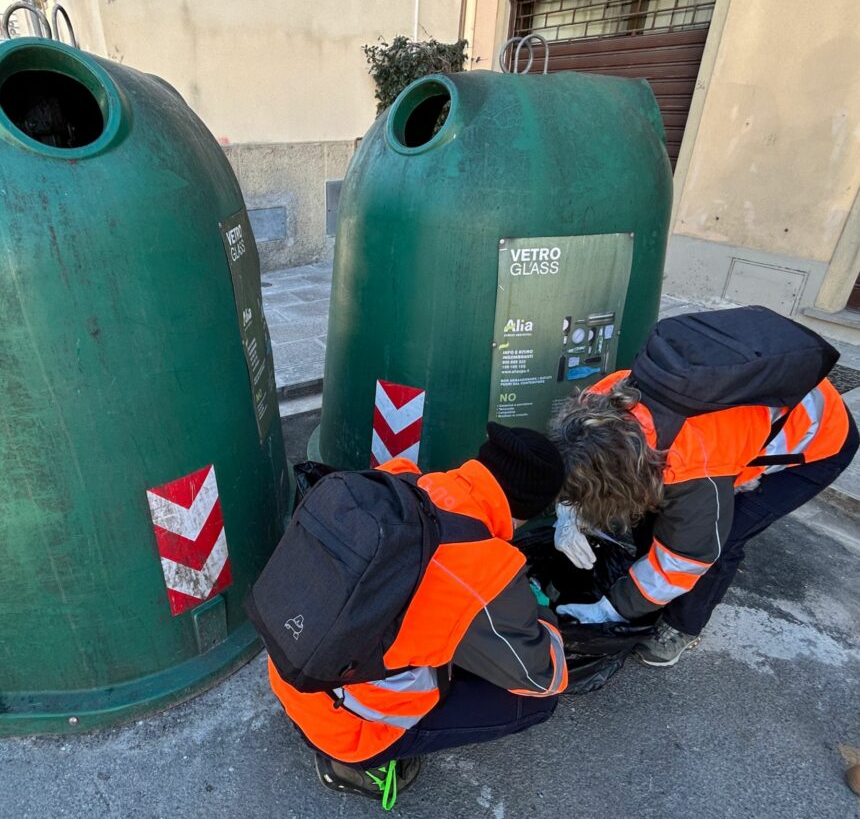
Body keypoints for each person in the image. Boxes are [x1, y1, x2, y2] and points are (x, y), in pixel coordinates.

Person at [260, 425, 568, 809]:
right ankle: (353, 766)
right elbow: (544, 676)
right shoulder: (485, 570)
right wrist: (537, 604)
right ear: (527, 513)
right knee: (537, 703)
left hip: (290, 665)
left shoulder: (399, 476)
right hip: (345, 726)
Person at [548, 346, 857, 667]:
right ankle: (647, 596)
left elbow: (688, 555)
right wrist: (569, 512)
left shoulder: (696, 467)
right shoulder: (598, 404)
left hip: (816, 440)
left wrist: (610, 610)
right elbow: (579, 464)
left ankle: (682, 627)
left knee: (724, 536)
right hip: (740, 425)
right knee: (659, 514)